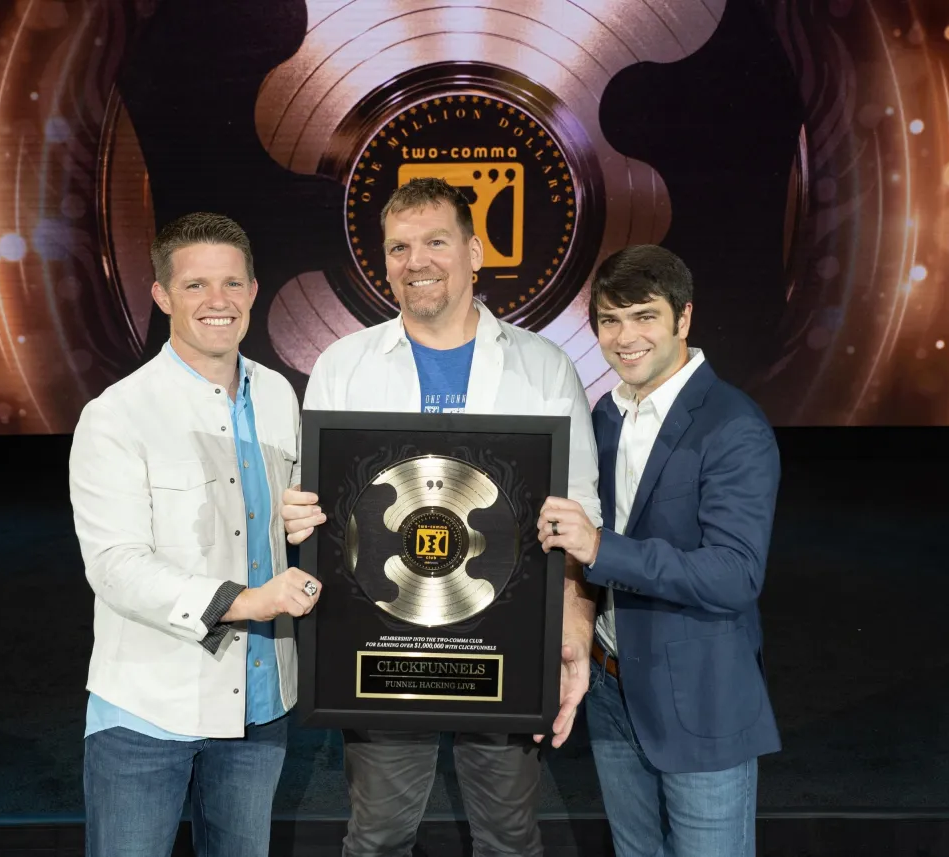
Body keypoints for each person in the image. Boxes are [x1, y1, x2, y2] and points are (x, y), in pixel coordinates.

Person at [281, 177, 602, 857]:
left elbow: (580, 514)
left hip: (504, 643)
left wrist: (573, 627)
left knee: (509, 837)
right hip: (381, 643)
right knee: (377, 835)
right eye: (398, 246)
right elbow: (321, 507)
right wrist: (300, 515)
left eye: (434, 241)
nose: (415, 260)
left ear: (475, 251)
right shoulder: (345, 364)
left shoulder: (543, 367)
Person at [68, 212, 323, 857]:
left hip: (261, 705)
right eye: (195, 286)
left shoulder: (277, 395)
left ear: (254, 290)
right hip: (149, 707)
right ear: (161, 295)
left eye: (232, 284)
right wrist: (245, 602)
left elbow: (281, 524)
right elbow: (117, 566)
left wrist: (300, 524)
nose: (219, 302)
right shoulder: (116, 414)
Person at [534, 244, 781, 857]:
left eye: (644, 316)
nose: (625, 337)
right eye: (610, 321)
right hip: (615, 689)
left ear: (683, 318)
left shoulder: (733, 425)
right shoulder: (606, 415)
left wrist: (600, 548)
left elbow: (735, 575)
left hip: (702, 698)